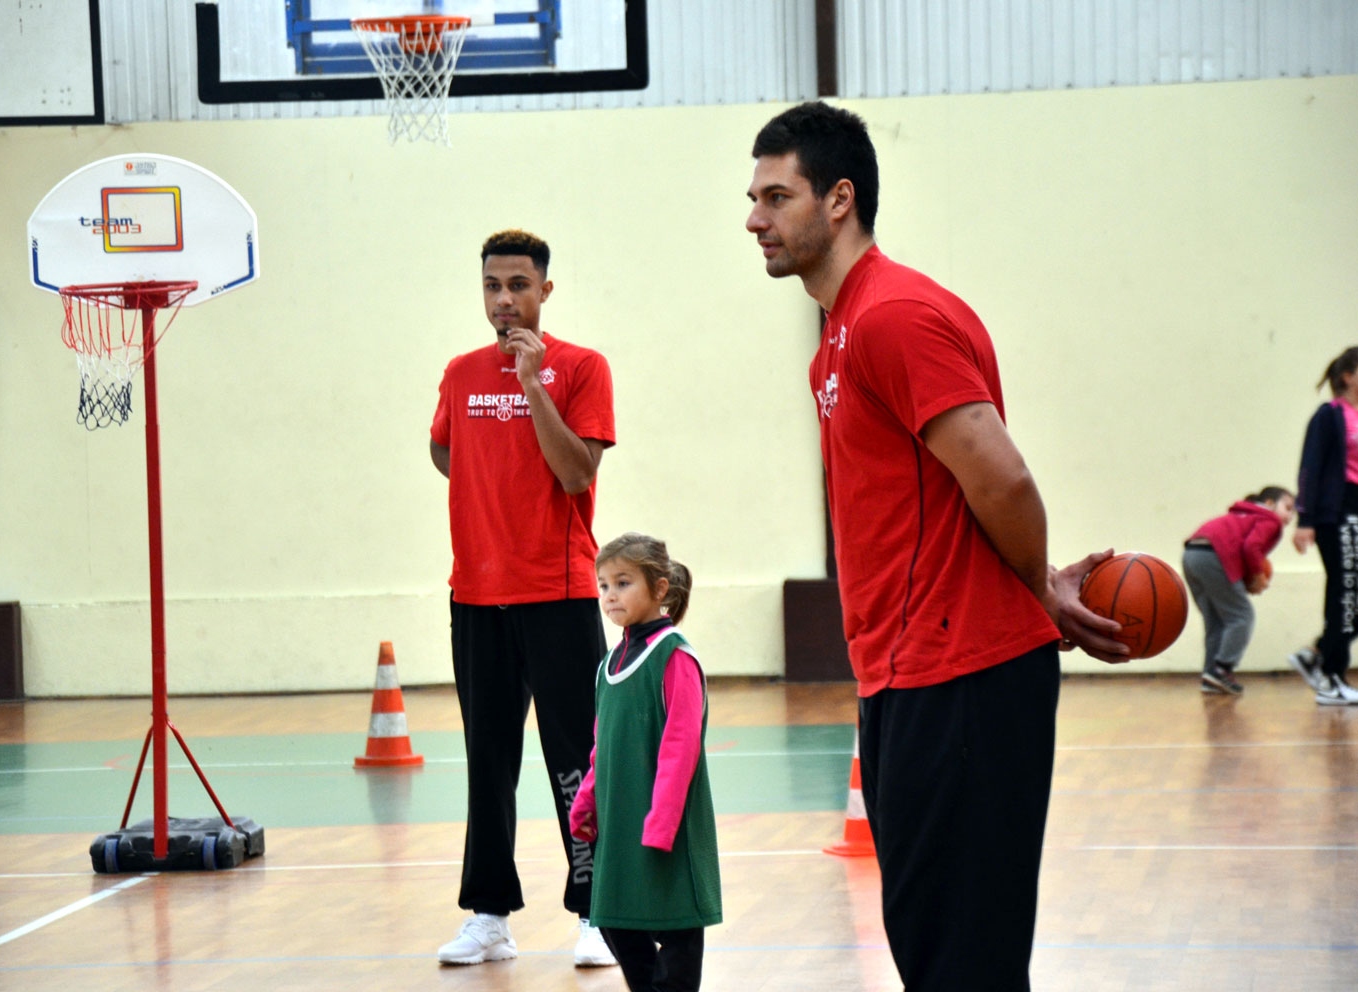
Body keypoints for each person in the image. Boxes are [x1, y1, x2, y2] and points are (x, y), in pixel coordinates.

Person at [744, 101, 1127, 992]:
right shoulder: (835, 340)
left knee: (966, 958)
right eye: (754, 198)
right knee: (932, 949)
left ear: (839, 200)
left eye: (775, 196)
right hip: (904, 677)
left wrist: (1038, 587)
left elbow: (1003, 479)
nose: (754, 219)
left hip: (962, 676)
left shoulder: (895, 318)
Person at [429, 229, 618, 967]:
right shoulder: (460, 373)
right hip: (476, 596)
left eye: (517, 285)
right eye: (491, 286)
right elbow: (444, 450)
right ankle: (488, 914)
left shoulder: (580, 368)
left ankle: (596, 910)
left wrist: (532, 387)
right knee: (488, 761)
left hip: (559, 593)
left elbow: (576, 475)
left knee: (578, 762)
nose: (503, 300)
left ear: (545, 290)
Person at [570, 533, 721, 992]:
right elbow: (602, 745)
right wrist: (587, 796)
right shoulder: (608, 665)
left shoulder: (675, 657)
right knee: (615, 919)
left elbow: (681, 749)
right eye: (603, 586)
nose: (610, 595)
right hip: (620, 823)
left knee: (677, 930)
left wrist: (663, 823)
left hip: (666, 827)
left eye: (622, 582)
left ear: (659, 589)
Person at [1286, 346, 1358, 706]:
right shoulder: (1329, 416)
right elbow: (1310, 468)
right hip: (1337, 513)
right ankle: (1331, 677)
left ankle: (1316, 654)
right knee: (1345, 590)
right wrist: (1305, 519)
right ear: (1348, 376)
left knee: (1354, 594)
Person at [1182, 487, 1295, 695]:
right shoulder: (1269, 520)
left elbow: (1237, 546)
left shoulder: (1241, 515)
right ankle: (1222, 670)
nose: (1290, 516)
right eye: (1288, 508)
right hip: (1213, 556)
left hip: (1191, 554)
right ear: (1269, 503)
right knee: (1242, 616)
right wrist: (1257, 574)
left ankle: (1210, 676)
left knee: (1216, 621)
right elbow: (1251, 547)